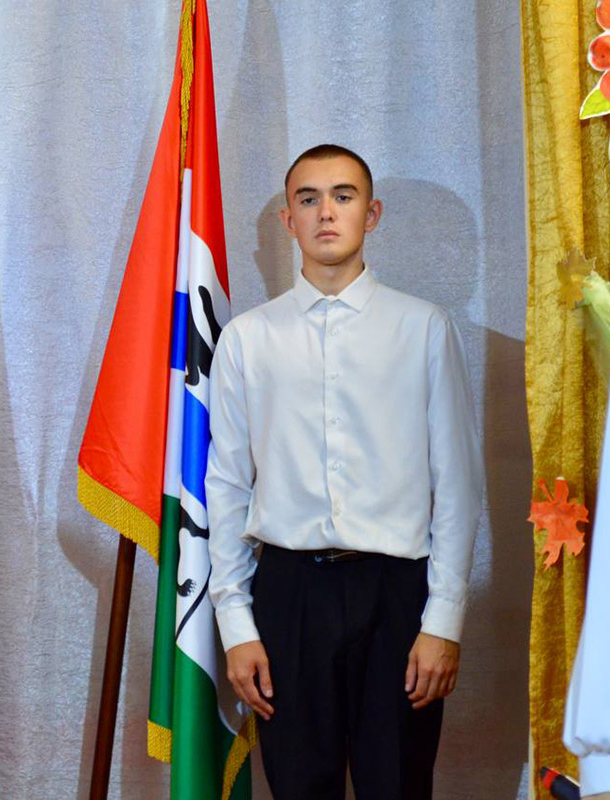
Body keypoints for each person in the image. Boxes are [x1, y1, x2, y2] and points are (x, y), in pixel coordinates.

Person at [205, 144, 482, 799]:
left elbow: (457, 486)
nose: (325, 212)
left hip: (397, 595)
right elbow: (227, 486)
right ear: (288, 221)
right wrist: (237, 625)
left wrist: (443, 620)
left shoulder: (424, 329)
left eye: (343, 196)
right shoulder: (248, 339)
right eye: (308, 199)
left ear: (371, 214)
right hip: (289, 595)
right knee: (300, 787)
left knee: (398, 785)